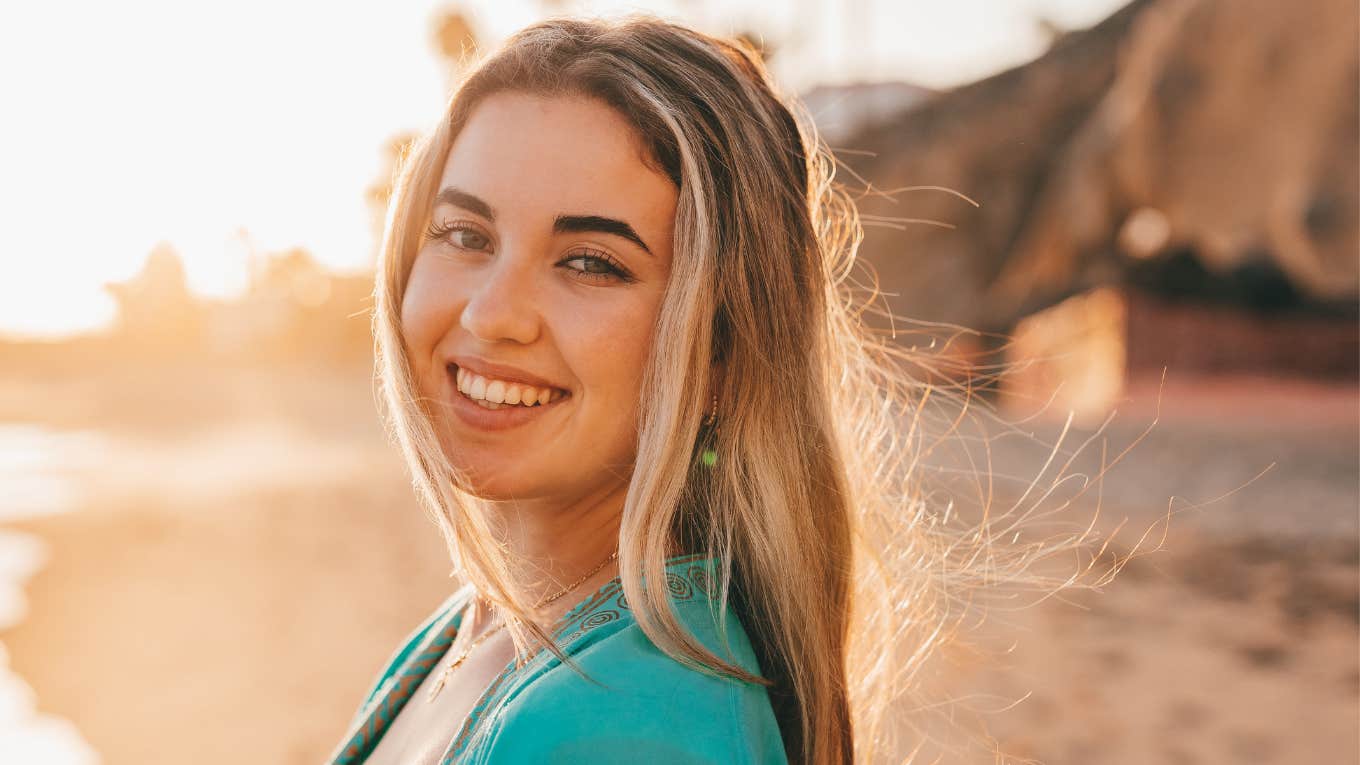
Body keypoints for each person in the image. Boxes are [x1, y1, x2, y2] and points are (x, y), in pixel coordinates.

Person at [326, 14, 1134, 765]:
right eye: (466, 234)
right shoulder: (478, 625)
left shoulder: (631, 728)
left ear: (724, 351)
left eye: (590, 261)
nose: (492, 313)